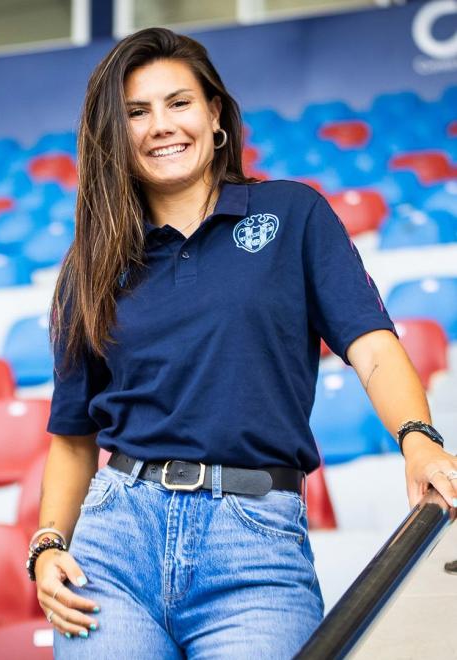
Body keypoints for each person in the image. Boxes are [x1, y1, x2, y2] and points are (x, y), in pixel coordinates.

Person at [27, 27, 457, 659]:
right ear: (114, 136)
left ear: (215, 114)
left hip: (255, 551)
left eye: (179, 103)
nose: (161, 126)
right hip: (114, 548)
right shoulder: (88, 265)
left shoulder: (292, 214)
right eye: (136, 113)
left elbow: (370, 344)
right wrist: (46, 546)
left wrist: (419, 442)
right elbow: (72, 435)